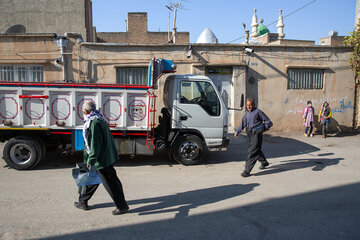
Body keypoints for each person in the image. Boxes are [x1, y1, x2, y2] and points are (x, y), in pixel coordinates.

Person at [74, 101, 129, 215]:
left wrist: (91, 159)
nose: (82, 112)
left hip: (101, 159)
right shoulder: (99, 118)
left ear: (86, 111)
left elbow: (95, 143)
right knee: (92, 179)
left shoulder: (93, 123)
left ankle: (122, 206)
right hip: (103, 156)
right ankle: (83, 201)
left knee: (111, 182)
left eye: (83, 110)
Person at [234, 98, 273, 177]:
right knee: (255, 149)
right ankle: (264, 162)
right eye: (247, 105)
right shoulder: (247, 113)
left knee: (252, 151)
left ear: (253, 105)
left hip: (256, 133)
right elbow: (243, 122)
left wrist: (264, 129)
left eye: (250, 105)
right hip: (249, 133)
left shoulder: (258, 112)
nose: (249, 107)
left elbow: (269, 122)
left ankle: (247, 170)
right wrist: (237, 131)